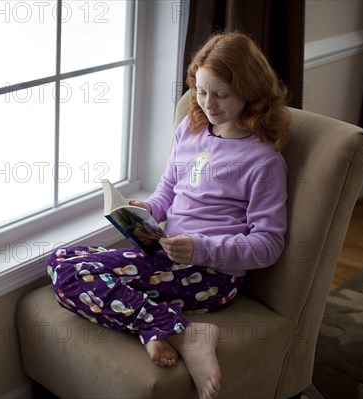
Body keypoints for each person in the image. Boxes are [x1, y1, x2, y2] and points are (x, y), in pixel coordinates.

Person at [46, 31, 289, 399]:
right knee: (61, 258)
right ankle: (160, 327)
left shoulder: (264, 161)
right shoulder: (190, 129)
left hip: (211, 276)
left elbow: (268, 245)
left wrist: (200, 249)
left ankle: (186, 333)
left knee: (69, 276)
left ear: (250, 90)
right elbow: (169, 191)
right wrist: (148, 210)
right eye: (202, 90)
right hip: (167, 256)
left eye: (222, 93)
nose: (209, 103)